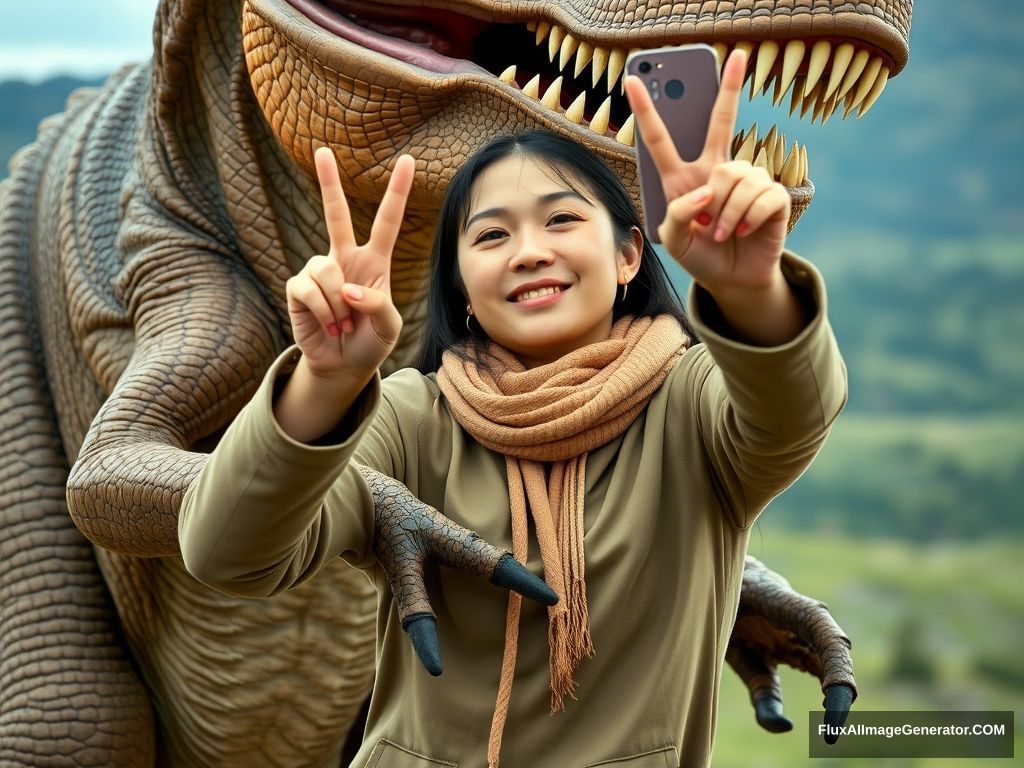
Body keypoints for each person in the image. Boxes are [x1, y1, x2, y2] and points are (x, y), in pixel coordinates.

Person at [179, 52, 847, 768]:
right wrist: (324, 381)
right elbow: (226, 554)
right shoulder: (411, 418)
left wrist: (751, 289)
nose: (528, 252)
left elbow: (794, 412)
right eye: (491, 235)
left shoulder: (689, 408)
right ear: (463, 286)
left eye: (561, 219)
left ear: (628, 255)